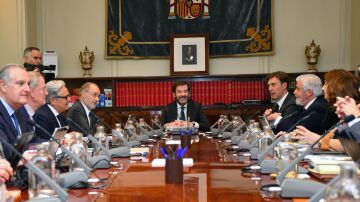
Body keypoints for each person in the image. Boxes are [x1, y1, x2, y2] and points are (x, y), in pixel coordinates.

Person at [294, 70, 360, 151]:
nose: (322, 88)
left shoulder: (354, 109)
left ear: (335, 87)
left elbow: (352, 145)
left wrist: (319, 140)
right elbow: (333, 134)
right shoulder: (336, 108)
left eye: (325, 84)